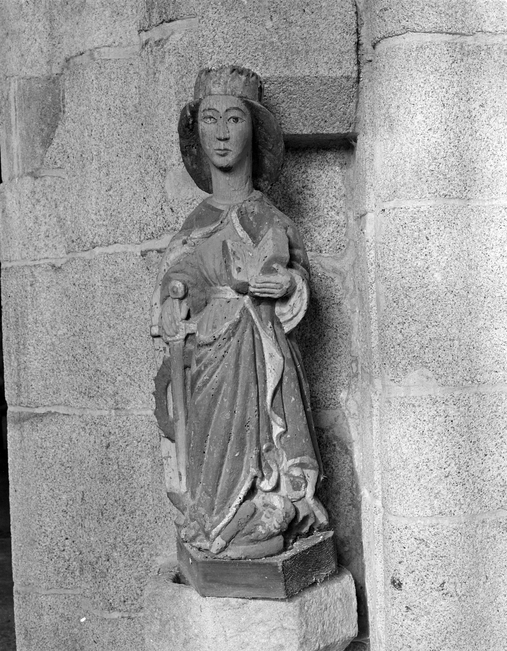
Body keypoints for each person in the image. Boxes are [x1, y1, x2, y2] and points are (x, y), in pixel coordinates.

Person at [151, 65, 328, 560]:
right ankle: (218, 520)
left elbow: (301, 289)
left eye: (234, 118)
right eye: (209, 119)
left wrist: (287, 284)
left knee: (263, 451)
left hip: (261, 360)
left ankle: (268, 509)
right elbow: (178, 275)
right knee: (210, 465)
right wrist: (175, 297)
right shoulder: (195, 223)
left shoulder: (272, 218)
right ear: (196, 130)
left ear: (254, 129)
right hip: (208, 363)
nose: (222, 132)